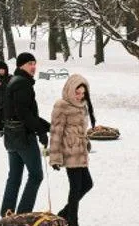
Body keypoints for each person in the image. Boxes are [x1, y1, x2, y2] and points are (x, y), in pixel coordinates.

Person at [0, 52, 50, 218]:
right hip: (23, 137)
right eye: (29, 64)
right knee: (36, 175)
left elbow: (20, 112)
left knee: (14, 176)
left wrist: (46, 126)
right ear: (21, 66)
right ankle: (22, 215)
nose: (33, 67)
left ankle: (7, 214)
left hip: (11, 137)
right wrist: (41, 131)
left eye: (34, 63)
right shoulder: (23, 84)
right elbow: (24, 114)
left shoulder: (13, 81)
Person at [49, 74, 95, 226]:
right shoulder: (62, 105)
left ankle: (64, 214)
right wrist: (55, 158)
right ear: (70, 89)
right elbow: (56, 132)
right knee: (75, 189)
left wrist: (86, 141)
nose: (80, 96)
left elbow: (81, 129)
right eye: (77, 92)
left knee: (87, 184)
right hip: (69, 153)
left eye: (83, 93)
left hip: (81, 153)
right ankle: (72, 221)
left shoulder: (82, 105)